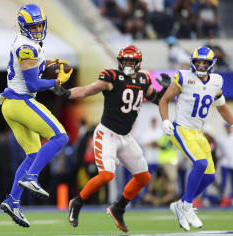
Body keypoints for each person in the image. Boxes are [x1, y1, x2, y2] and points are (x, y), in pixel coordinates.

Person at [52, 45, 171, 232]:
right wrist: (67, 93)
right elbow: (87, 90)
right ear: (120, 62)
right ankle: (77, 202)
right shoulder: (112, 77)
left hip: (126, 137)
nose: (128, 64)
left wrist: (165, 91)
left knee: (143, 177)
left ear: (138, 63)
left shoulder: (143, 79)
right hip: (107, 133)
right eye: (125, 61)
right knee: (107, 175)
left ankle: (119, 207)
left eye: (132, 61)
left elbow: (156, 99)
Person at [0, 4, 73, 228]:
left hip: (11, 104)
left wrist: (49, 66)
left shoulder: (29, 44)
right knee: (60, 137)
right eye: (33, 26)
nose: (37, 29)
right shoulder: (27, 47)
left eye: (39, 25)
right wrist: (56, 81)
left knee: (32, 154)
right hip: (20, 101)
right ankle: (31, 177)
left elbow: (33, 72)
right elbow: (33, 83)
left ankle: (12, 201)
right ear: (24, 26)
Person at [159, 46, 233, 231]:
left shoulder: (216, 81)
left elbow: (221, 106)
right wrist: (165, 120)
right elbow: (164, 100)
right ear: (192, 62)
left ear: (212, 64)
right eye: (199, 62)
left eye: (205, 63)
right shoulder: (183, 77)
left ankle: (181, 204)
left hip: (198, 132)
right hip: (181, 129)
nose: (202, 65)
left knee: (210, 176)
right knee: (201, 164)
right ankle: (186, 206)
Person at [216, 123, 233, 208]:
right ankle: (222, 198)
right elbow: (218, 153)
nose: (228, 128)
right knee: (223, 182)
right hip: (224, 163)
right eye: (226, 127)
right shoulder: (221, 138)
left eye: (229, 127)